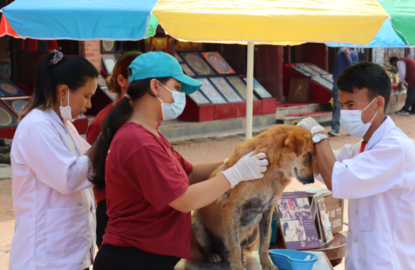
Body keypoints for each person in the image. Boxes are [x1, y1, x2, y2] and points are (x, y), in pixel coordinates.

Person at [88, 52, 268, 270]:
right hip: (132, 259)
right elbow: (184, 200)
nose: (180, 96)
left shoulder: (150, 134)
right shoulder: (138, 141)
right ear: (155, 86)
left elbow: (189, 174)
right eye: (177, 88)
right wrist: (236, 174)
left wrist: (235, 161)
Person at [297, 62, 415, 269]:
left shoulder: (395, 148)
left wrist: (319, 136)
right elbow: (325, 166)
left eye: (351, 105)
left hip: (388, 262)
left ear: (378, 104)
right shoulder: (362, 148)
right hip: (362, 260)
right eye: (342, 105)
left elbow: (336, 179)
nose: (344, 112)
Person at [9, 50, 98, 270]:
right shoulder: (37, 126)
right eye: (86, 96)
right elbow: (68, 177)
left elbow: (89, 160)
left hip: (67, 252)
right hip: (44, 260)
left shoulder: (64, 125)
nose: (89, 106)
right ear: (64, 91)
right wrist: (106, 140)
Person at [86, 51, 142, 248]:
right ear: (122, 80)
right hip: (113, 211)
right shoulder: (104, 120)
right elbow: (94, 170)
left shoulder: (144, 117)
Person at [331, 47, 359, 136]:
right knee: (336, 105)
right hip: (338, 84)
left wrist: (348, 56)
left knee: (350, 106)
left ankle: (350, 129)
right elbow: (335, 68)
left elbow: (354, 69)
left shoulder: (354, 55)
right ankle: (335, 129)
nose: (342, 47)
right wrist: (334, 81)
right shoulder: (338, 54)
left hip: (349, 84)